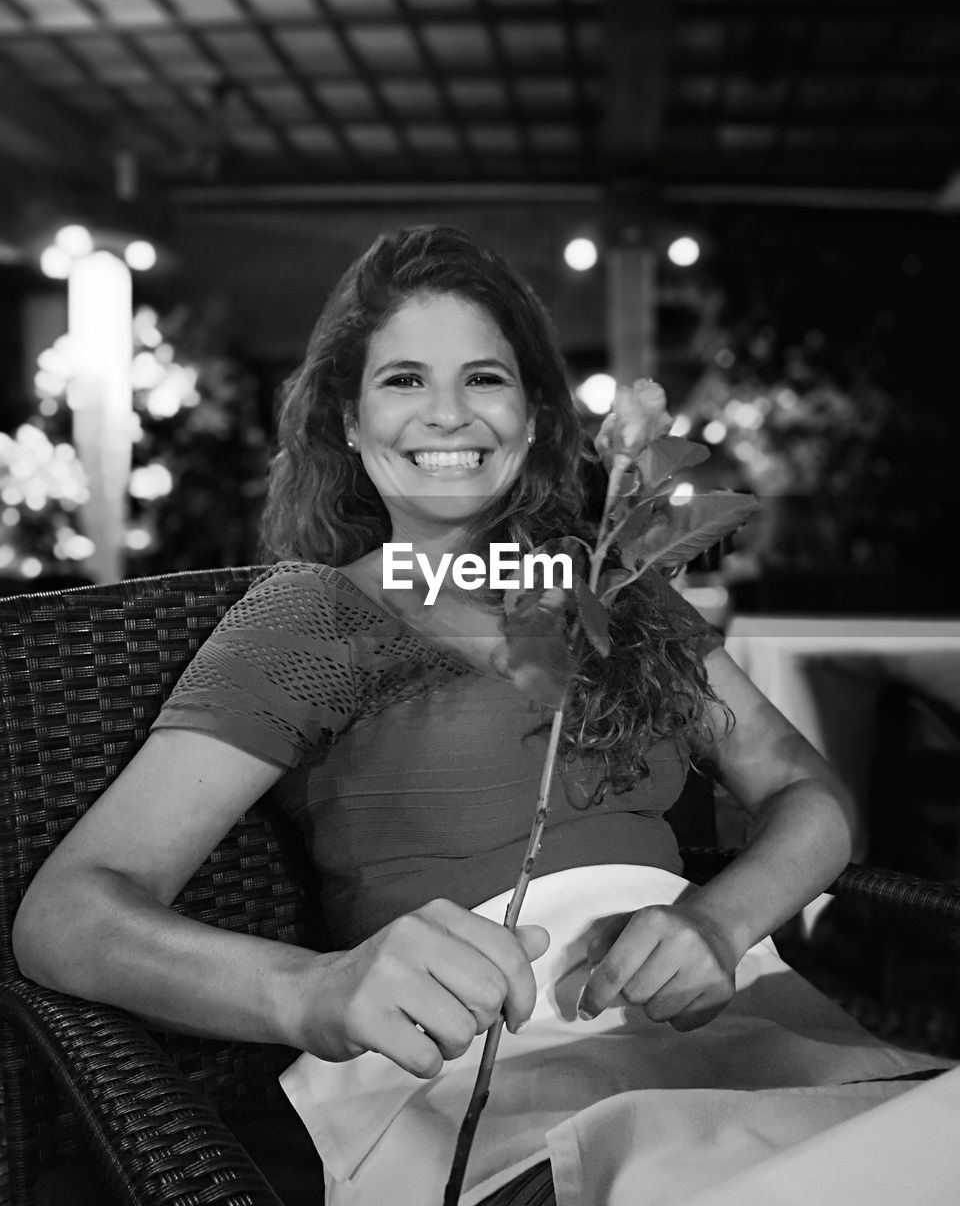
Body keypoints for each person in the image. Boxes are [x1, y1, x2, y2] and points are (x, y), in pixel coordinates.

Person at [11, 225, 940, 1206]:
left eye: (484, 377)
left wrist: (720, 918)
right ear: (351, 422)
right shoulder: (320, 616)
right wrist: (312, 988)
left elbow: (805, 787)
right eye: (403, 379)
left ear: (537, 417)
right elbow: (69, 909)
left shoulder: (616, 592)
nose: (446, 412)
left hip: (741, 1028)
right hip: (497, 1075)